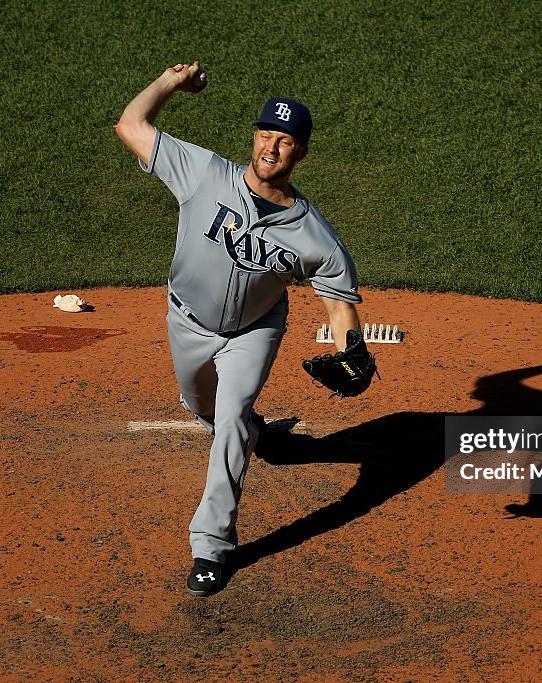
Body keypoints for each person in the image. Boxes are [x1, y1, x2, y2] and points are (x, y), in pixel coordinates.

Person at [115, 61, 364, 597]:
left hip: (255, 332)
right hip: (186, 321)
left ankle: (212, 545)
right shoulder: (203, 173)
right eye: (266, 135)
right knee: (203, 407)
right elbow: (130, 125)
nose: (272, 148)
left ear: (301, 152)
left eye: (286, 141)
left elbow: (340, 306)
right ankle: (249, 427)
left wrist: (355, 349)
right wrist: (170, 83)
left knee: (228, 420)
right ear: (254, 138)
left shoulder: (315, 236)